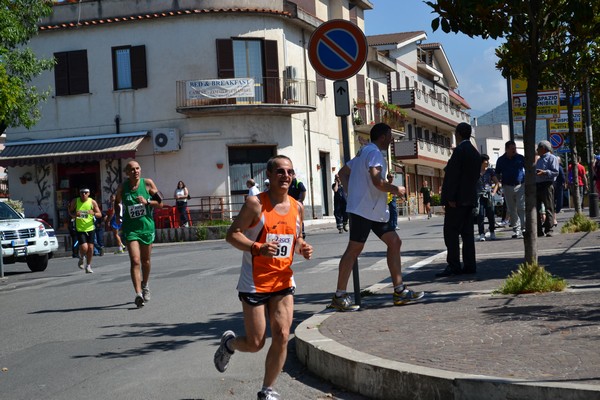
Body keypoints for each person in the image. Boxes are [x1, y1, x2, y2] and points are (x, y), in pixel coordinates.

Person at [214, 155, 313, 400]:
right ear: (268, 176)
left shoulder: (297, 207)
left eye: (289, 172)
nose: (286, 176)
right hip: (255, 282)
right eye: (280, 171)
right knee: (256, 342)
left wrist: (302, 247)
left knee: (281, 334)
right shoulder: (255, 205)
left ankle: (267, 390)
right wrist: (256, 247)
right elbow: (232, 235)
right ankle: (230, 344)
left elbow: (295, 238)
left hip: (282, 280)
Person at [328, 123, 424, 311]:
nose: (392, 140)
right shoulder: (374, 153)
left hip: (373, 211)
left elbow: (342, 173)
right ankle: (339, 296)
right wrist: (397, 189)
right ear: (383, 136)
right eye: (390, 136)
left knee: (394, 242)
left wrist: (352, 193)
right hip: (364, 211)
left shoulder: (364, 151)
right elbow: (377, 181)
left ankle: (399, 290)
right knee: (354, 249)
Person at [115, 160, 163, 308]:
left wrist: (147, 201)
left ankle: (145, 284)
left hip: (146, 228)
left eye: (137, 168)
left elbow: (160, 202)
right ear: (127, 173)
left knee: (146, 261)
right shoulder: (123, 187)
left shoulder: (147, 184)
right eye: (132, 169)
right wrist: (118, 214)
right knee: (135, 260)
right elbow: (117, 202)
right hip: (130, 229)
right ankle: (138, 294)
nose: (135, 171)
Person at [436, 122, 481, 277]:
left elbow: (453, 176)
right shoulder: (475, 152)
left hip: (457, 200)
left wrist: (450, 197)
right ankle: (470, 264)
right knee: (467, 233)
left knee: (451, 232)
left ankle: (454, 265)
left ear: (458, 134)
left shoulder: (460, 151)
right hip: (469, 198)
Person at [495, 140, 526, 239]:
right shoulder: (501, 160)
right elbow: (497, 173)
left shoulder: (520, 158)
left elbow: (528, 169)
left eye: (515, 148)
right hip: (507, 186)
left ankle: (523, 228)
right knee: (512, 209)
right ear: (507, 149)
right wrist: (498, 183)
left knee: (521, 207)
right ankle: (516, 230)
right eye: (512, 149)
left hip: (520, 185)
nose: (514, 150)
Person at [68, 188, 102, 274]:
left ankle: (88, 266)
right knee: (84, 247)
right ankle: (81, 257)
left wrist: (93, 213)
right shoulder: (75, 201)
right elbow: (70, 212)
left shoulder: (92, 202)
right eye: (82, 192)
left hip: (90, 228)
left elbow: (99, 214)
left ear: (89, 193)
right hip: (80, 228)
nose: (84, 194)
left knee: (90, 248)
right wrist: (75, 214)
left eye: (86, 192)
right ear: (79, 194)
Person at [536, 141, 559, 237]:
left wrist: (545, 172)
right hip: (538, 185)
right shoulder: (539, 159)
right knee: (536, 209)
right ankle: (538, 230)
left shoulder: (552, 158)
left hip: (547, 185)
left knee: (549, 207)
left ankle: (549, 229)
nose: (537, 150)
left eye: (538, 148)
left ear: (543, 149)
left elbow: (555, 172)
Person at [476, 154, 500, 241]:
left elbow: (497, 182)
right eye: (486, 160)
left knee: (491, 214)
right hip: (479, 195)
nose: (487, 162)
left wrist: (493, 192)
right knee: (480, 214)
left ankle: (492, 231)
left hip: (489, 195)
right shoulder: (475, 171)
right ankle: (481, 233)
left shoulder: (490, 171)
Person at [288, 172, 307, 238]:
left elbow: (304, 191)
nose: (289, 176)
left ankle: (302, 232)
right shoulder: (288, 183)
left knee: (299, 219)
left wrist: (300, 200)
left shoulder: (298, 183)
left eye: (290, 174)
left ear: (294, 175)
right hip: (290, 204)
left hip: (297, 204)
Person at [554, 157, 567, 225]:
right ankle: (557, 210)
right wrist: (564, 183)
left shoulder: (553, 167)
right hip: (558, 185)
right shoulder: (559, 167)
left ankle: (555, 210)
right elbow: (562, 176)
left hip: (553, 184)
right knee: (559, 198)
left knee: (554, 199)